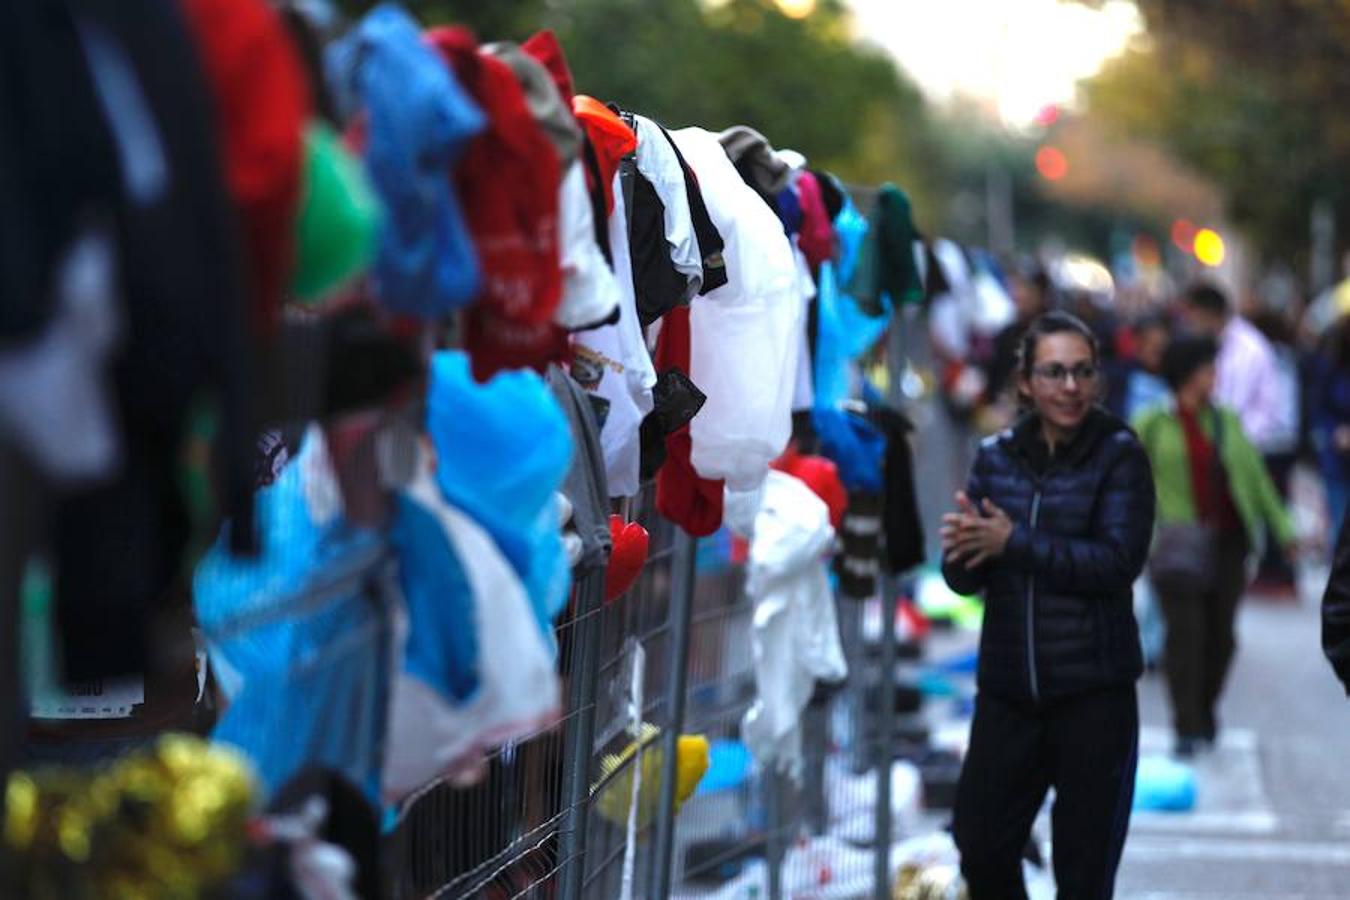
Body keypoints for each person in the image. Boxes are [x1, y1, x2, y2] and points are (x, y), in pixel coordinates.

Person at [941, 311, 1155, 899]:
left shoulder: (1119, 455)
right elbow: (965, 581)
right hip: (1009, 690)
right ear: (1026, 383)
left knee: (1084, 876)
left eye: (1082, 372)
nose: (1070, 387)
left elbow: (1117, 562)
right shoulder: (996, 456)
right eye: (1054, 372)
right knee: (980, 844)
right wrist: (963, 553)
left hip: (1094, 692)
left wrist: (1015, 543)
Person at [1134, 336, 1295, 757]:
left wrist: (1284, 530)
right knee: (1185, 636)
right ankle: (1187, 725)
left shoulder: (1225, 420)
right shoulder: (1152, 422)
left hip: (1228, 543)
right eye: (1207, 369)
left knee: (1221, 638)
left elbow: (1256, 477)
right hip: (1176, 545)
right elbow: (1128, 480)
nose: (1214, 376)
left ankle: (1205, 711)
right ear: (1187, 374)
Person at [1309, 313, 1350, 535]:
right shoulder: (1331, 363)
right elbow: (1319, 408)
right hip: (1337, 461)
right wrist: (1335, 432)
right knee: (1339, 529)